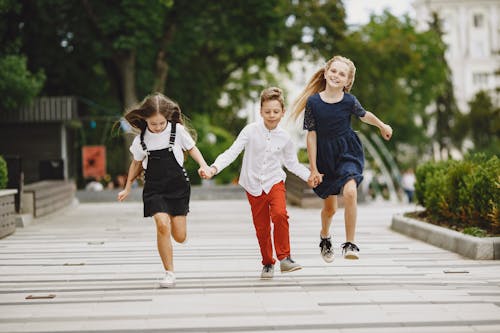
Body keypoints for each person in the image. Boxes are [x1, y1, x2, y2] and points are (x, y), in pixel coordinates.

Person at [200, 87, 312, 279]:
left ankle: (285, 257)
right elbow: (232, 152)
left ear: (283, 112)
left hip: (275, 181)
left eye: (276, 112)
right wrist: (214, 168)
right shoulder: (250, 131)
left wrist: (310, 176)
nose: (271, 115)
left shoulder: (285, 137)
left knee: (280, 214)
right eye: (267, 111)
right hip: (253, 185)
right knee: (262, 228)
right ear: (260, 111)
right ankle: (268, 263)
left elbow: (292, 163)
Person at [291, 55, 393, 261]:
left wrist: (382, 125)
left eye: (342, 74)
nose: (337, 76)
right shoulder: (313, 102)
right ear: (326, 72)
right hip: (324, 157)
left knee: (350, 192)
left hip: (348, 151)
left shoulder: (349, 101)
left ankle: (350, 243)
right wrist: (313, 168)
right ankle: (325, 236)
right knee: (330, 209)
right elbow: (311, 135)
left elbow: (365, 115)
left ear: (348, 82)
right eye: (334, 71)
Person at [117, 92, 211, 288]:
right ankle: (169, 273)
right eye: (153, 124)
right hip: (154, 188)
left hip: (178, 187)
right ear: (145, 120)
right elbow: (135, 164)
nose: (158, 127)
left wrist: (204, 166)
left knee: (179, 236)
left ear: (167, 118)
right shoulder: (141, 140)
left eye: (161, 123)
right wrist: (127, 188)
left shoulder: (177, 131)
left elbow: (192, 149)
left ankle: (178, 236)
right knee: (162, 225)